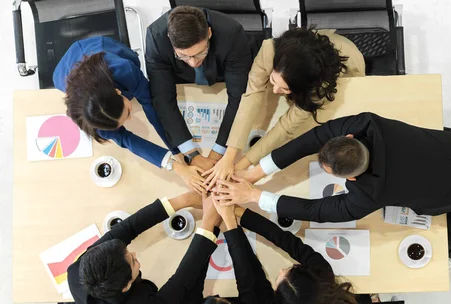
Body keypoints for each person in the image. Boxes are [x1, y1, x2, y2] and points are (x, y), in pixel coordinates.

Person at [214, 112, 451, 259]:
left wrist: (254, 196)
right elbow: (312, 138)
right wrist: (256, 173)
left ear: (351, 179)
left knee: (442, 249)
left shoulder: (370, 194)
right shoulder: (368, 125)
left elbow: (318, 211)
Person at [66, 191, 222, 304]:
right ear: (126, 287)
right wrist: (209, 222)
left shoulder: (78, 270)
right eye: (133, 261)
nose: (133, 253)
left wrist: (185, 200)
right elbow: (182, 281)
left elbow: (128, 227)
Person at [203, 27, 366, 189]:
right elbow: (252, 97)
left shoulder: (318, 88)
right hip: (308, 52)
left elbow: (285, 127)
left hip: (346, 65)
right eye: (273, 81)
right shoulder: (269, 51)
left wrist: (242, 165)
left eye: (285, 89)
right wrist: (229, 157)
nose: (274, 91)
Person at [53, 36, 205, 192]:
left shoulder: (124, 69)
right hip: (67, 74)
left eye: (127, 112)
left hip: (99, 48)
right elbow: (125, 139)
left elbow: (151, 106)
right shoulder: (89, 117)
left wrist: (178, 151)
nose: (131, 118)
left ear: (118, 91)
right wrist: (175, 166)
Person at [228, 206, 367, 304]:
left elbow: (254, 277)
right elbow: (285, 240)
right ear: (309, 274)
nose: (281, 270)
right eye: (289, 270)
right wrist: (236, 211)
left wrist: (232, 227)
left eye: (278, 284)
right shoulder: (322, 272)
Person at [146, 6, 253, 171]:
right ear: (169, 38)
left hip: (222, 77)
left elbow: (238, 96)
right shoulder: (155, 37)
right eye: (183, 55)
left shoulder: (232, 33)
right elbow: (163, 99)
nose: (193, 62)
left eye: (200, 52)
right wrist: (192, 155)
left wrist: (216, 154)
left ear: (209, 33)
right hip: (182, 81)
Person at [180, 197, 275, 304]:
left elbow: (193, 276)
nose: (219, 295)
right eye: (224, 301)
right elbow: (246, 280)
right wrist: (231, 228)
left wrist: (211, 227)